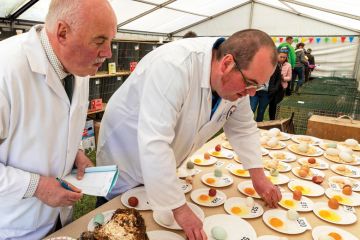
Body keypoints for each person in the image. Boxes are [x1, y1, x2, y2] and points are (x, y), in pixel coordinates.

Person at [97, 29, 281, 240]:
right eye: (250, 83)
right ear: (226, 63)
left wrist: (259, 178)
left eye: (258, 86)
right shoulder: (174, 67)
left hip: (161, 163)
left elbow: (243, 128)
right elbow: (154, 143)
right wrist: (179, 208)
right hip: (125, 159)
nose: (251, 93)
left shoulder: (236, 82)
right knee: (114, 225)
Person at [0, 0, 117, 239]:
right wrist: (36, 186)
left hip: (59, 218)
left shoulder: (79, 66)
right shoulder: (6, 70)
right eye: (99, 41)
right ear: (63, 32)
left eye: (111, 41)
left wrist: (74, 152)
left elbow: (58, 122)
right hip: (14, 226)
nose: (108, 53)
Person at [268, 47, 292, 120]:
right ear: (277, 55)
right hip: (273, 86)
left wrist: (283, 78)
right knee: (271, 104)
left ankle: (275, 117)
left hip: (281, 87)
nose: (282, 59)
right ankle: (271, 119)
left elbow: (289, 77)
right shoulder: (273, 64)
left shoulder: (288, 65)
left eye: (284, 57)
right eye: (281, 57)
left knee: (277, 104)